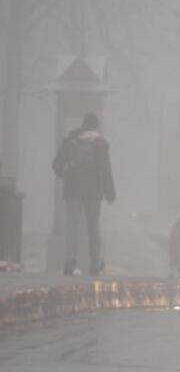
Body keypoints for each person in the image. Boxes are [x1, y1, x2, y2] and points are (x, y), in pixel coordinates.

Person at [52, 112, 116, 276]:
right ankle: (95, 264)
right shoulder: (101, 144)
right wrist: (110, 192)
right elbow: (105, 170)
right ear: (96, 126)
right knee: (93, 227)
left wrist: (67, 174)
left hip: (72, 190)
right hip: (93, 191)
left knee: (72, 226)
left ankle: (69, 262)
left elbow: (56, 165)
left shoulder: (70, 141)